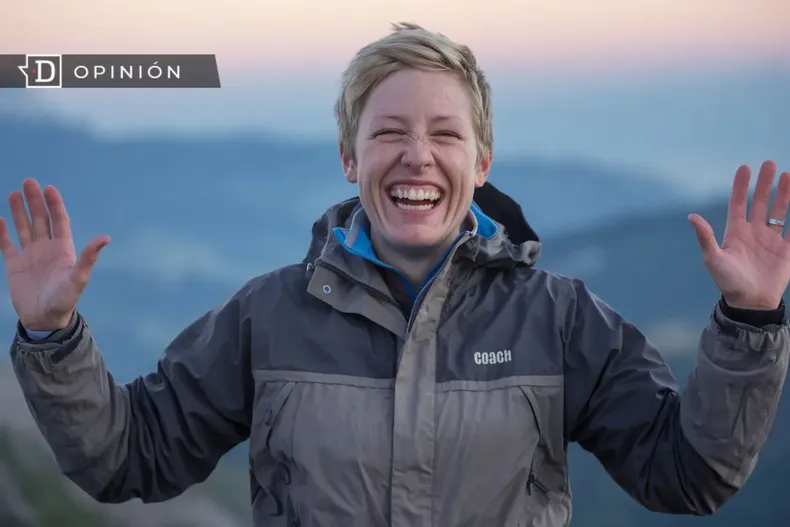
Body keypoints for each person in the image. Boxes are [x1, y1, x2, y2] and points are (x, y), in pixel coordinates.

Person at [2, 22, 789, 527]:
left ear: (481, 163)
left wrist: (749, 323)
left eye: (445, 133)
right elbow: (127, 456)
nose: (418, 154)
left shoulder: (560, 319)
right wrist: (51, 334)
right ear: (351, 159)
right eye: (389, 133)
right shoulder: (267, 317)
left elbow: (690, 474)